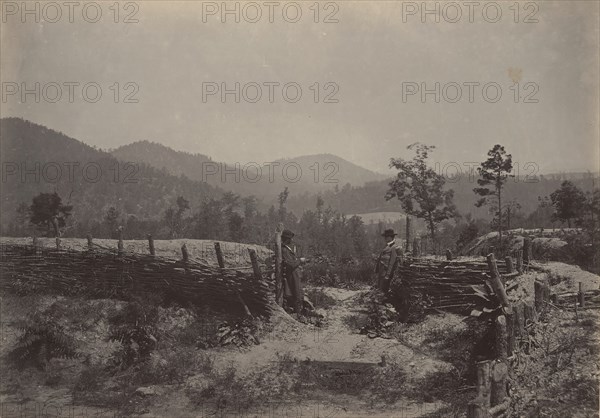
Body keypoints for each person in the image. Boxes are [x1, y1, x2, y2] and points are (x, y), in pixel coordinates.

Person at [281, 229, 308, 314]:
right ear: (287, 239)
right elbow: (291, 265)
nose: (292, 240)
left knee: (299, 291)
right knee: (296, 292)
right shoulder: (284, 250)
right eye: (290, 238)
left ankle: (299, 310)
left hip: (295, 273)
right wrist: (300, 260)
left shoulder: (287, 249)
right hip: (292, 273)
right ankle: (298, 313)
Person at [375, 228, 402, 292]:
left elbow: (392, 263)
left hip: (386, 273)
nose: (385, 238)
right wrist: (377, 269)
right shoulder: (387, 246)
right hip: (382, 273)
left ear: (391, 237)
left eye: (387, 236)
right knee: (380, 289)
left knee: (384, 290)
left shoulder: (394, 247)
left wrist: (387, 275)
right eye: (385, 236)